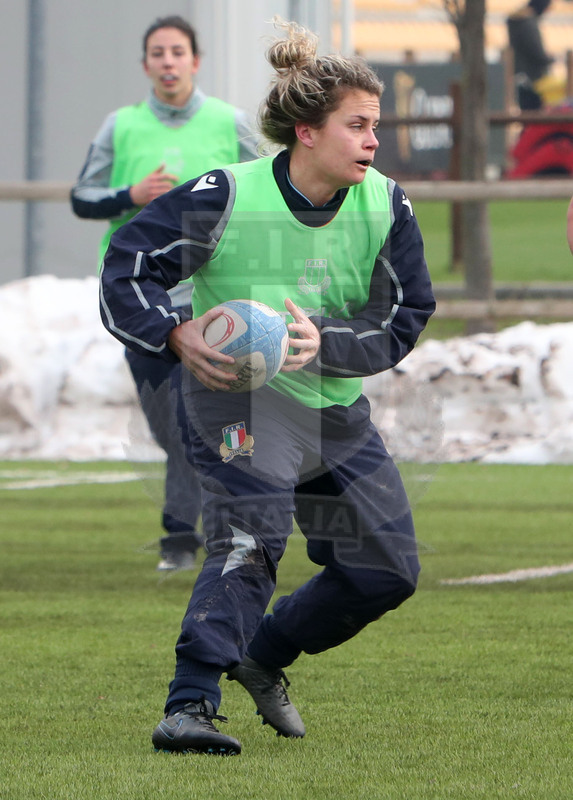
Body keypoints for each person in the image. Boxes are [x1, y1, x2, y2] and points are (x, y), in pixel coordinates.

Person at [99, 18, 436, 756]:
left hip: (331, 406)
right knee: (252, 531)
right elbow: (128, 261)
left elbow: (406, 315)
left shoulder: (386, 205)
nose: (374, 141)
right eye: (358, 126)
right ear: (307, 133)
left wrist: (329, 342)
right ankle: (189, 704)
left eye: (375, 126)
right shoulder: (226, 195)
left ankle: (264, 656)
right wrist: (174, 333)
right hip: (236, 398)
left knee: (385, 571)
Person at [71, 15, 259, 571]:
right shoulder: (119, 126)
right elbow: (83, 197)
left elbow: (268, 189)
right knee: (169, 425)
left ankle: (210, 530)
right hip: (144, 301)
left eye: (178, 51)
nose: (169, 61)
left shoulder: (231, 122)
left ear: (196, 61)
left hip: (217, 297)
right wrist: (130, 194)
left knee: (224, 416)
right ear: (146, 64)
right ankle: (203, 528)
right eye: (158, 53)